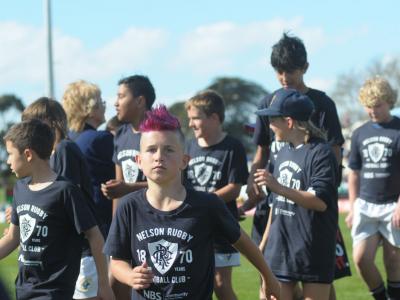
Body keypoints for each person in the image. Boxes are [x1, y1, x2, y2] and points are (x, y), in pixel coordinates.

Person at [103, 105, 280, 300]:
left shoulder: (207, 205)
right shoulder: (128, 206)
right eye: (151, 150)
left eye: (169, 150)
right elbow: (116, 261)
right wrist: (130, 275)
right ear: (139, 160)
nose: (159, 157)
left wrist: (268, 277)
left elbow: (245, 244)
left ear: (184, 160)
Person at [242, 32, 349, 299]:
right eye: (279, 71)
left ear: (305, 68)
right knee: (272, 281)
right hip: (278, 201)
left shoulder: (322, 105)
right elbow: (262, 150)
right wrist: (254, 183)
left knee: (319, 277)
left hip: (309, 206)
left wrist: (318, 188)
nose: (284, 77)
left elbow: (333, 154)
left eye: (290, 71)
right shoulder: (269, 104)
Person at [0, 119, 114, 300]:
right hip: (23, 290)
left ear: (28, 154)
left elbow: (95, 236)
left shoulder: (65, 191)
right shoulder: (20, 189)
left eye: (10, 154)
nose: (7, 160)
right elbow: (13, 237)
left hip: (55, 293)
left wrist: (103, 284)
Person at [255, 89, 338, 300]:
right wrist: (264, 243)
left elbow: (320, 202)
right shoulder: (282, 151)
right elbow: (275, 203)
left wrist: (277, 186)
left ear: (289, 122)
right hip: (279, 247)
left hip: (312, 249)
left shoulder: (320, 152)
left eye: (273, 120)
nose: (270, 127)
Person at [21, 98, 105, 300]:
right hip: (69, 254)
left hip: (82, 251)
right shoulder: (53, 153)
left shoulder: (64, 149)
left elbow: (61, 202)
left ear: (49, 122)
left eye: (32, 125)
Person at [184, 90, 249, 300]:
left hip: (220, 227)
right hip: (192, 227)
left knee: (220, 285)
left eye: (196, 118)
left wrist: (204, 203)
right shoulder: (188, 147)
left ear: (214, 118)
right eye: (189, 119)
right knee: (196, 284)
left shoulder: (232, 147)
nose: (191, 124)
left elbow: (234, 188)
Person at [100, 75, 155, 300]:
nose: (115, 102)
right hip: (126, 223)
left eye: (122, 96)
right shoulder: (121, 134)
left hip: (151, 222)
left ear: (140, 101)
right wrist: (116, 228)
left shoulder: (158, 133)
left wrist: (127, 188)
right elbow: (118, 190)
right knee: (115, 287)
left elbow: (175, 181)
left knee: (146, 286)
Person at [345, 77, 400, 300]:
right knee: (361, 259)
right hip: (366, 205)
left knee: (393, 259)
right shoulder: (360, 133)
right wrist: (352, 207)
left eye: (378, 105)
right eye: (368, 105)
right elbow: (354, 173)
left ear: (389, 102)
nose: (373, 110)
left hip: (393, 205)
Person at [62, 80, 115, 237]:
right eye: (101, 101)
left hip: (75, 227)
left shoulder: (64, 141)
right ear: (90, 108)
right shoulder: (101, 139)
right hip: (101, 225)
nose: (105, 106)